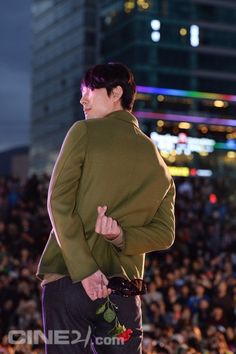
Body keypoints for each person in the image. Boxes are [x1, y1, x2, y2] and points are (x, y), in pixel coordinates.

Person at [37, 62, 176, 354]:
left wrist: (85, 271)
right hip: (123, 292)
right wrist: (123, 237)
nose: (82, 99)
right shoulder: (160, 165)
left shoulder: (84, 133)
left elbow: (58, 202)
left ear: (116, 93)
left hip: (69, 280)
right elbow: (165, 234)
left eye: (89, 91)